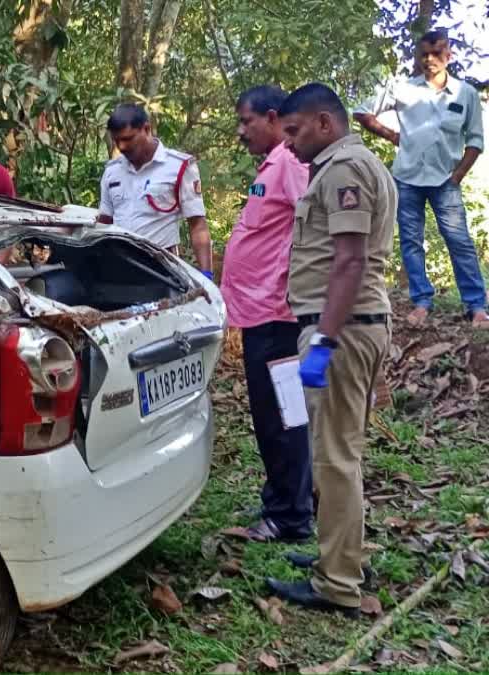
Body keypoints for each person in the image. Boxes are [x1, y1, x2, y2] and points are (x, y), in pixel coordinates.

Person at [266, 83, 395, 616]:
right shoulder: (361, 164)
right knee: (344, 452)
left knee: (333, 458)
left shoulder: (343, 170)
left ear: (325, 123)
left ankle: (338, 583)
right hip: (354, 325)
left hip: (340, 327)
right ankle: (344, 553)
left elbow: (349, 261)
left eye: (294, 131)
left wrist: (323, 340)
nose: (289, 143)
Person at [222, 85, 314, 543]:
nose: (241, 131)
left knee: (280, 417)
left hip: (276, 315)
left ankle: (289, 515)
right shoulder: (274, 165)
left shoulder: (292, 164)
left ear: (273, 117)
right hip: (261, 314)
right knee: (283, 414)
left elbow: (313, 223)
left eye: (246, 121)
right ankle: (293, 499)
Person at [354, 30, 487, 329]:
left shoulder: (464, 93)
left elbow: (476, 141)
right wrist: (392, 136)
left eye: (437, 52)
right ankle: (422, 302)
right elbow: (361, 111)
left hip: (445, 181)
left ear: (449, 55)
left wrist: (458, 175)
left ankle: (477, 305)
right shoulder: (404, 88)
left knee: (459, 241)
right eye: (424, 53)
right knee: (411, 242)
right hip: (407, 177)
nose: (430, 59)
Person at [97, 103, 213, 276]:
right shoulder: (112, 171)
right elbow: (104, 223)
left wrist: (206, 275)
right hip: (119, 265)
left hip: (163, 269)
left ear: (147, 129)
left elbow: (197, 225)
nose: (122, 146)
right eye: (117, 140)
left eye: (128, 139)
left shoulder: (179, 166)